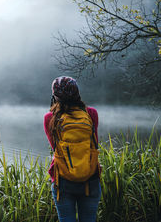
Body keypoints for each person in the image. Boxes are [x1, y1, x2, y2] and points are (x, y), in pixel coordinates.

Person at [44, 76, 101, 222]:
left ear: (55, 96)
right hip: (90, 179)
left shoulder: (50, 118)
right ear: (77, 92)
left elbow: (55, 147)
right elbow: (94, 144)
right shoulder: (91, 113)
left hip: (62, 179)